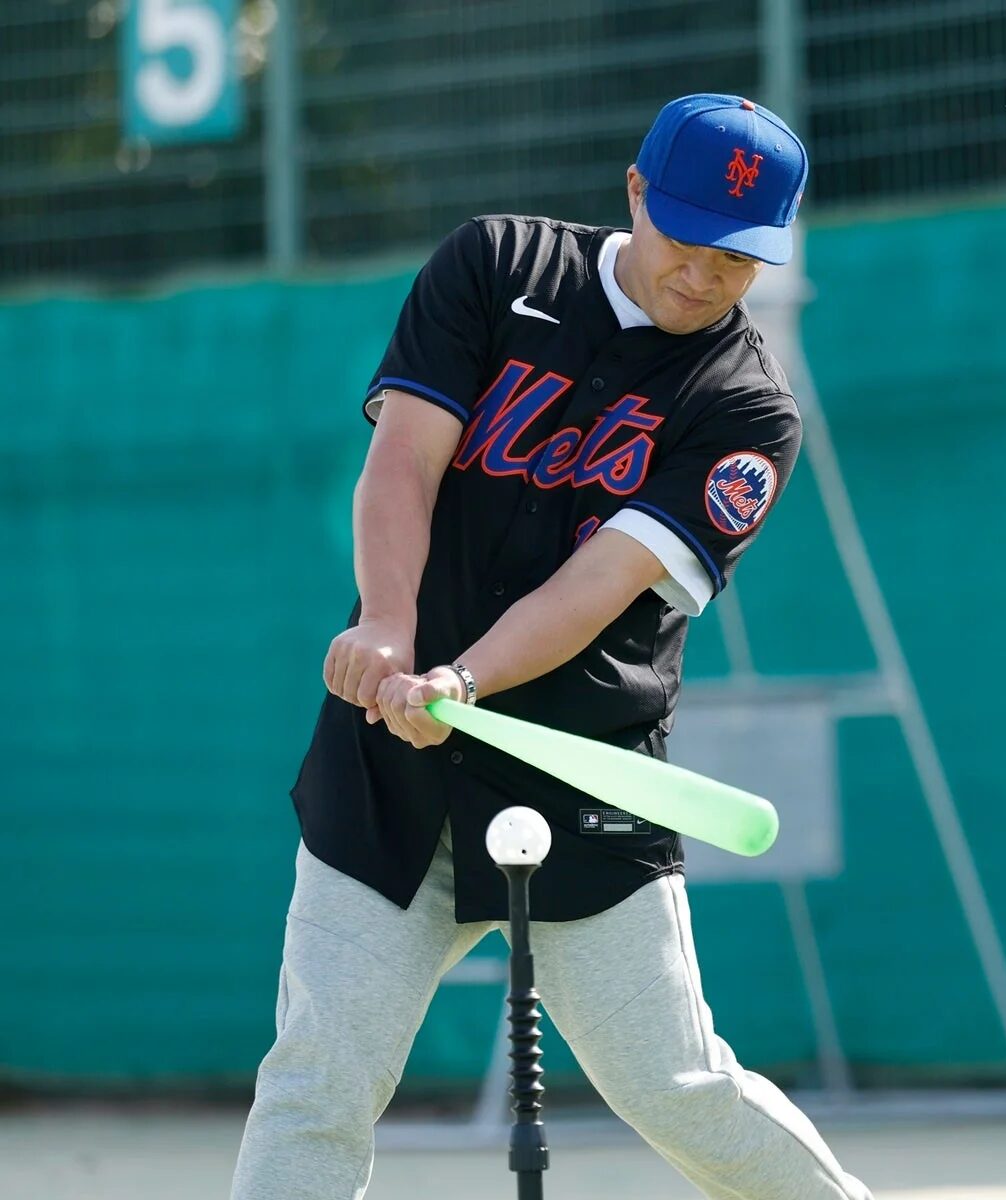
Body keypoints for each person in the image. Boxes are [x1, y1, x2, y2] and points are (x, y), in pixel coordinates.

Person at [231, 93, 872, 1200]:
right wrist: (387, 621)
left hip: (580, 776)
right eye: (685, 237)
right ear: (634, 191)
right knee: (317, 1084)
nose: (704, 277)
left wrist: (463, 677)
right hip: (390, 769)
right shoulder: (494, 264)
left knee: (678, 1087)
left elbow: (600, 586)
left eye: (737, 258)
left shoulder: (749, 409)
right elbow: (404, 464)